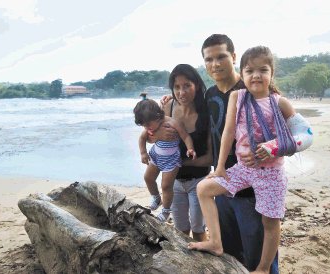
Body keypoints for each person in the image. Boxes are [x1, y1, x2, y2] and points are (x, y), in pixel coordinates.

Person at [188, 46, 313, 274]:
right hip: (243, 169)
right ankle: (215, 242)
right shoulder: (238, 96)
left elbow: (306, 135)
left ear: (271, 74)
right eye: (250, 70)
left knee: (270, 222)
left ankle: (263, 268)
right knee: (204, 188)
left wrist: (273, 147)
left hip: (271, 174)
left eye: (263, 70)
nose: (256, 75)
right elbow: (228, 132)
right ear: (242, 74)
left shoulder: (279, 103)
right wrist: (222, 166)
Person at [162, 64, 212, 241]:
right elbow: (153, 136)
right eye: (177, 87)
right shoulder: (167, 108)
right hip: (174, 182)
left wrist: (180, 163)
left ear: (196, 85)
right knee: (180, 231)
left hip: (199, 181)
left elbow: (210, 158)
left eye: (187, 86)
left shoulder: (206, 112)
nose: (181, 92)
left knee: (199, 230)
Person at [133, 99, 196, 222]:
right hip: (156, 156)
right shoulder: (150, 126)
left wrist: (190, 149)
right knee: (148, 178)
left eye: (147, 125)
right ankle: (156, 198)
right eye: (144, 125)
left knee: (166, 186)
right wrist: (143, 153)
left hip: (171, 160)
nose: (146, 128)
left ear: (158, 116)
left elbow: (186, 136)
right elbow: (141, 139)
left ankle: (166, 211)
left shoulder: (172, 123)